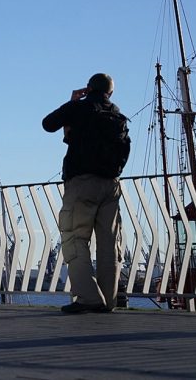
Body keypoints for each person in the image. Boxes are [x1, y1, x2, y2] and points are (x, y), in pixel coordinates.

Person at [42, 72, 130, 314]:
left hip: (81, 182)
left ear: (88, 88)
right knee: (109, 244)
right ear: (110, 93)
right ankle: (108, 300)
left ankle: (89, 297)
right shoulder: (117, 115)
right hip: (111, 184)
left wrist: (72, 102)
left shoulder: (79, 108)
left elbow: (48, 124)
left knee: (74, 238)